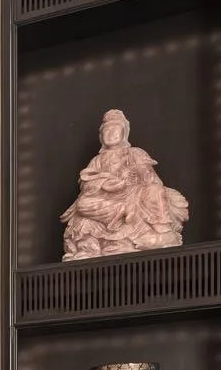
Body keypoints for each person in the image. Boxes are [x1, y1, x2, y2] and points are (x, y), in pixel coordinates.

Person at [62, 110, 189, 260]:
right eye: (106, 130)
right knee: (83, 205)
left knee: (154, 190)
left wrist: (134, 176)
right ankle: (123, 211)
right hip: (111, 201)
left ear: (124, 133)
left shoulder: (135, 153)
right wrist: (105, 184)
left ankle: (162, 231)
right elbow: (86, 185)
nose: (110, 133)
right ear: (101, 136)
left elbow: (151, 179)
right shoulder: (97, 160)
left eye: (115, 129)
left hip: (134, 194)